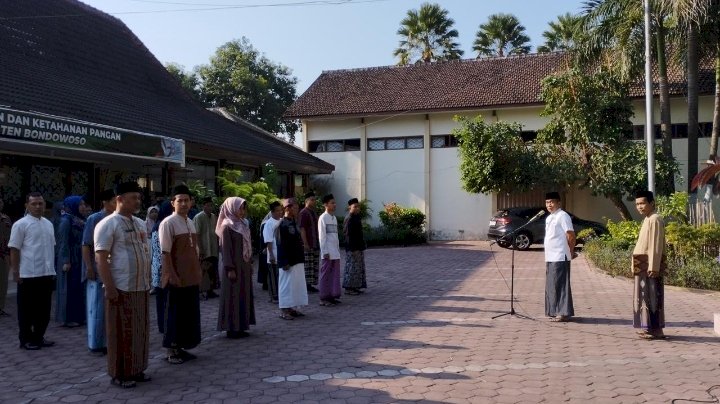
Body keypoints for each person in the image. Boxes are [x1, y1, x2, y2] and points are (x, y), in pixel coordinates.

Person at [94, 182, 152, 388]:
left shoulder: (139, 223)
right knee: (121, 331)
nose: (137, 201)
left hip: (141, 286)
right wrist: (109, 287)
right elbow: (101, 258)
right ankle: (120, 373)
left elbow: (145, 251)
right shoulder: (107, 224)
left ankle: (137, 369)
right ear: (119, 199)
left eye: (138, 197)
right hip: (120, 288)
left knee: (139, 331)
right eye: (133, 197)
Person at [159, 184, 202, 364]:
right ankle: (171, 350)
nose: (183, 204)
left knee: (188, 314)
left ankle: (183, 347)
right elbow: (165, 252)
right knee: (174, 314)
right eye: (180, 200)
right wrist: (171, 274)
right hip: (176, 277)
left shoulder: (190, 222)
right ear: (172, 203)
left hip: (190, 277)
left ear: (191, 203)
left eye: (186, 200)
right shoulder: (168, 223)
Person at [9, 192, 56, 350]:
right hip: (28, 274)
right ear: (27, 206)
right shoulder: (20, 224)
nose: (37, 207)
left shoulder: (48, 224)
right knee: (27, 310)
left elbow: (51, 248)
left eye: (40, 204)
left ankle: (39, 336)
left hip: (46, 273)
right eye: (34, 204)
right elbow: (14, 249)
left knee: (44, 310)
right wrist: (15, 271)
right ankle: (26, 339)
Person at [81, 189, 116, 355]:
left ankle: (109, 341)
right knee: (97, 308)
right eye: (114, 200)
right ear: (105, 202)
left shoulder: (118, 219)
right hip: (97, 269)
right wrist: (89, 267)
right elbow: (86, 244)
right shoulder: (94, 219)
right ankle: (96, 344)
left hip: (114, 269)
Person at [216, 197, 256, 338]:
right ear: (231, 208)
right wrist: (230, 268)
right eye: (239, 208)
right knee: (232, 295)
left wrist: (249, 263)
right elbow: (225, 250)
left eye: (243, 208)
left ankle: (241, 326)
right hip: (233, 267)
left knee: (243, 294)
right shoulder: (227, 226)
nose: (242, 211)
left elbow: (248, 245)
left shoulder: (243, 224)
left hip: (243, 265)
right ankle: (231, 328)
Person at [632, 190, 667, 340]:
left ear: (652, 203)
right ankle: (649, 328)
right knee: (645, 296)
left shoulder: (655, 219)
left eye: (642, 203)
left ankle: (657, 330)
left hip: (650, 266)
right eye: (637, 204)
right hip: (642, 264)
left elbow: (656, 245)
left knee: (653, 296)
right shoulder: (647, 219)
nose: (639, 207)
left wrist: (654, 266)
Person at [56, 195, 89, 327]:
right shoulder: (66, 221)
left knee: (79, 288)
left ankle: (79, 316)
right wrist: (65, 260)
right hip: (71, 258)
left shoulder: (80, 220)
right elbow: (63, 243)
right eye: (80, 205)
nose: (83, 207)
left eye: (83, 204)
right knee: (69, 288)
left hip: (80, 257)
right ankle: (68, 317)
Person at [543, 191, 576, 322]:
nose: (549, 205)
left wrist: (571, 251)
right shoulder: (550, 217)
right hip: (550, 256)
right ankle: (553, 310)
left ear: (558, 203)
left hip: (560, 256)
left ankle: (563, 312)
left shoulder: (563, 216)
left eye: (551, 202)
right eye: (547, 202)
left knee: (560, 285)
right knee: (551, 285)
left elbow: (571, 235)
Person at [276, 198, 308, 320]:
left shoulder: (294, 222)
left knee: (296, 285)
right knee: (286, 285)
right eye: (294, 208)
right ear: (287, 209)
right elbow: (280, 244)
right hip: (288, 261)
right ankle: (284, 310)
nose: (297, 210)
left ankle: (292, 308)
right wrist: (284, 261)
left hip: (297, 258)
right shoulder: (282, 224)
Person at [150, 201, 173, 332]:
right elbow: (161, 251)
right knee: (164, 299)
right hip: (162, 269)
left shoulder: (157, 225)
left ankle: (162, 325)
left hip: (157, 268)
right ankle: (164, 325)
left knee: (161, 300)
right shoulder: (162, 226)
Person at [318, 194, 341, 306]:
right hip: (327, 252)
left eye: (334, 202)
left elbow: (335, 236)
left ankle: (332, 295)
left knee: (334, 275)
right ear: (325, 205)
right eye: (332, 203)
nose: (334, 204)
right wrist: (324, 251)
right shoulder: (323, 218)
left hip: (335, 252)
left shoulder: (334, 218)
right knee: (326, 275)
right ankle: (324, 298)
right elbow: (322, 236)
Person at [194, 197, 219, 299]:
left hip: (213, 248)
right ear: (203, 206)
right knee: (203, 271)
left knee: (212, 270)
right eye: (207, 205)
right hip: (204, 248)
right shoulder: (198, 217)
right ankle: (201, 291)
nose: (210, 207)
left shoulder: (214, 217)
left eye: (211, 205)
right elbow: (197, 234)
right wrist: (200, 249)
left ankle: (210, 290)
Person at [343, 198, 367, 295]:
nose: (357, 208)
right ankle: (349, 288)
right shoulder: (349, 218)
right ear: (350, 207)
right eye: (354, 207)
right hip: (352, 248)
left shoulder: (357, 217)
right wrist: (352, 248)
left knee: (358, 268)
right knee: (351, 268)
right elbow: (347, 235)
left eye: (358, 206)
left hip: (358, 246)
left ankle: (355, 286)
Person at [298, 191, 320, 293]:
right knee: (308, 265)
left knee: (313, 265)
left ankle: (310, 285)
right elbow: (302, 229)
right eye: (312, 199)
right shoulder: (303, 213)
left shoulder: (314, 212)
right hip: (308, 243)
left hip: (315, 243)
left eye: (314, 199)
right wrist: (305, 243)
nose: (314, 201)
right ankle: (306, 286)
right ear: (306, 201)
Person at [262, 201, 283, 303]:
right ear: (272, 212)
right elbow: (269, 240)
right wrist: (271, 255)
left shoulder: (282, 221)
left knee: (280, 276)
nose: (280, 212)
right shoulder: (268, 224)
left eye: (280, 210)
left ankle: (280, 294)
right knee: (273, 276)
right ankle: (273, 296)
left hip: (281, 254)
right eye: (277, 211)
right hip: (273, 254)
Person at [0, 197, 12, 316]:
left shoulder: (6, 219)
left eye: (1, 202)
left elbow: (10, 238)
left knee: (3, 282)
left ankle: (1, 307)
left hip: (3, 255)